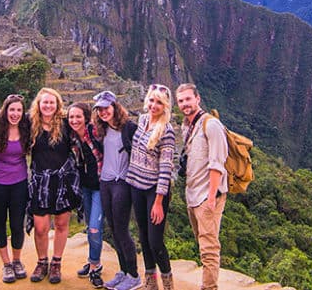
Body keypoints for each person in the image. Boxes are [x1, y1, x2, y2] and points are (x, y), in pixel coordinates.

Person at [176, 83, 228, 290]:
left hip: (207, 196)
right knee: (202, 241)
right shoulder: (187, 125)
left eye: (188, 99)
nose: (184, 104)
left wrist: (211, 198)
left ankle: (209, 287)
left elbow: (217, 164)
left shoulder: (211, 125)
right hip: (193, 194)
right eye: (181, 101)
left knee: (209, 247)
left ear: (197, 99)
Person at [27, 87, 81, 284]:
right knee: (41, 228)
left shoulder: (66, 124)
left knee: (60, 224)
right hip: (41, 181)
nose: (48, 106)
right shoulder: (30, 123)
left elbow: (87, 131)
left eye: (52, 102)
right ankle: (42, 262)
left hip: (63, 181)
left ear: (57, 105)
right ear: (39, 105)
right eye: (45, 102)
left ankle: (56, 262)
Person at [126, 84, 176, 290]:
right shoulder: (143, 120)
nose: (154, 105)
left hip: (154, 192)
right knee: (144, 237)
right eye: (152, 100)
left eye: (159, 102)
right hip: (136, 186)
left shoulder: (167, 131)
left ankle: (167, 282)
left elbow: (166, 169)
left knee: (155, 241)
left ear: (165, 106)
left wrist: (158, 201)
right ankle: (150, 282)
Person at [92, 91, 140, 290]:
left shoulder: (128, 128)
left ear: (114, 107)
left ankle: (134, 274)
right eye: (100, 110)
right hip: (105, 182)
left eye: (106, 108)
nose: (103, 112)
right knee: (113, 229)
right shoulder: (102, 129)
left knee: (121, 229)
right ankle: (123, 271)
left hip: (122, 182)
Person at [0, 94, 31, 283]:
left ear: (23, 112)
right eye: (12, 110)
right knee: (0, 222)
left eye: (19, 110)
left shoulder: (27, 128)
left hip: (19, 182)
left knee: (17, 223)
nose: (15, 114)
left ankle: (17, 261)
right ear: (5, 111)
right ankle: (6, 264)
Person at [67, 103, 104, 288]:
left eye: (78, 116)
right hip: (85, 188)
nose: (74, 120)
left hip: (100, 187)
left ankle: (96, 267)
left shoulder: (95, 132)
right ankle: (92, 261)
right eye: (71, 117)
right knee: (90, 226)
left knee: (95, 228)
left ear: (86, 117)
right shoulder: (72, 137)